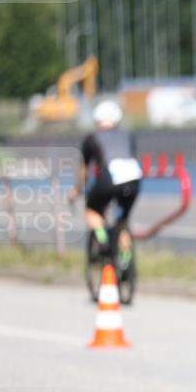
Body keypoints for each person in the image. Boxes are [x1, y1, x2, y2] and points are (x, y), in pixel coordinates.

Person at [68, 100, 142, 268]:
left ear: (96, 120)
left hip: (108, 180)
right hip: (134, 181)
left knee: (92, 210)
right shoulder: (127, 136)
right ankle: (125, 261)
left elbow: (85, 171)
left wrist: (76, 190)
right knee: (122, 221)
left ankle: (102, 240)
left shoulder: (91, 138)